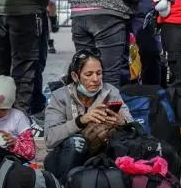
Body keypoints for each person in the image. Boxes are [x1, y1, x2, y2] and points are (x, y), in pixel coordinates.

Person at [44, 49, 133, 179]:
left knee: (121, 142)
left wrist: (122, 122)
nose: (95, 79)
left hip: (99, 155)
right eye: (88, 74)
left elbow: (132, 125)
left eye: (99, 73)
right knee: (76, 142)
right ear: (75, 76)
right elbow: (50, 139)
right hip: (64, 158)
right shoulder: (60, 97)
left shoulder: (110, 92)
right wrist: (80, 121)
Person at [0, 76, 36, 171]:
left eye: (3, 110)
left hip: (16, 162)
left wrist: (14, 143)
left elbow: (31, 153)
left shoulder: (18, 117)